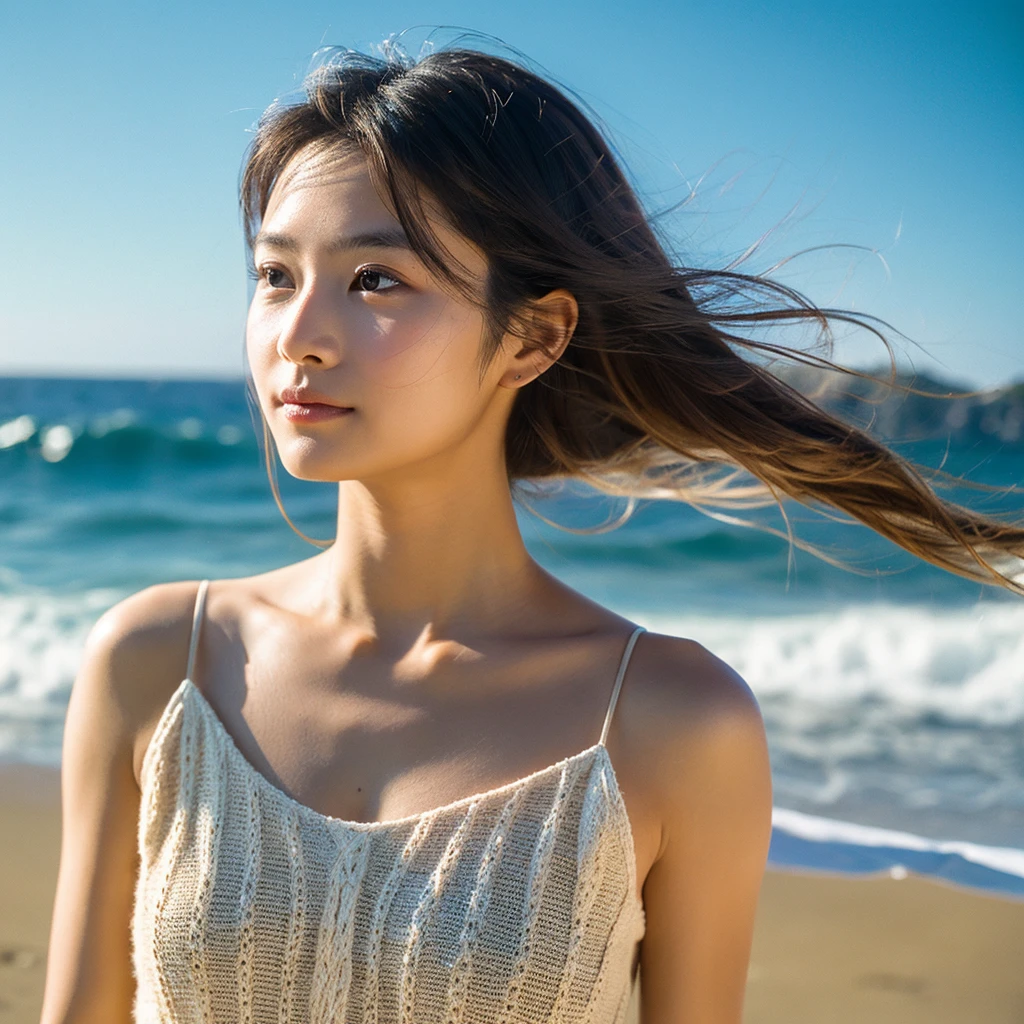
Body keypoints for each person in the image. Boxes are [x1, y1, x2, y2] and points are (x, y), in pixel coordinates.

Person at [39, 42, 1024, 1024]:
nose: (298, 333)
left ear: (533, 336)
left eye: (375, 279)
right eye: (274, 273)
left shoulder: (673, 721)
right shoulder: (162, 666)